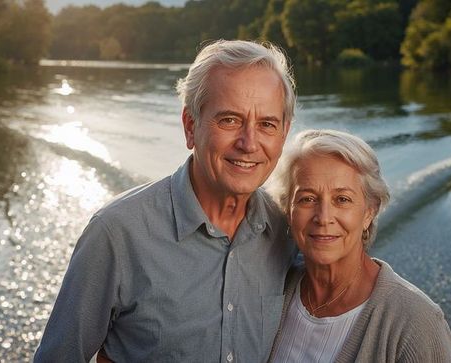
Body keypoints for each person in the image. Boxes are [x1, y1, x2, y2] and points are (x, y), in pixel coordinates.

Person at [34, 40, 297, 362]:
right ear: (190, 126)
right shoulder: (116, 234)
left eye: (267, 124)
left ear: (284, 134)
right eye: (229, 120)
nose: (249, 143)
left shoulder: (289, 231)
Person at [267, 129, 451, 362]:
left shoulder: (416, 321)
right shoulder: (272, 291)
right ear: (288, 209)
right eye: (307, 198)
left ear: (370, 211)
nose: (323, 217)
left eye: (342, 199)